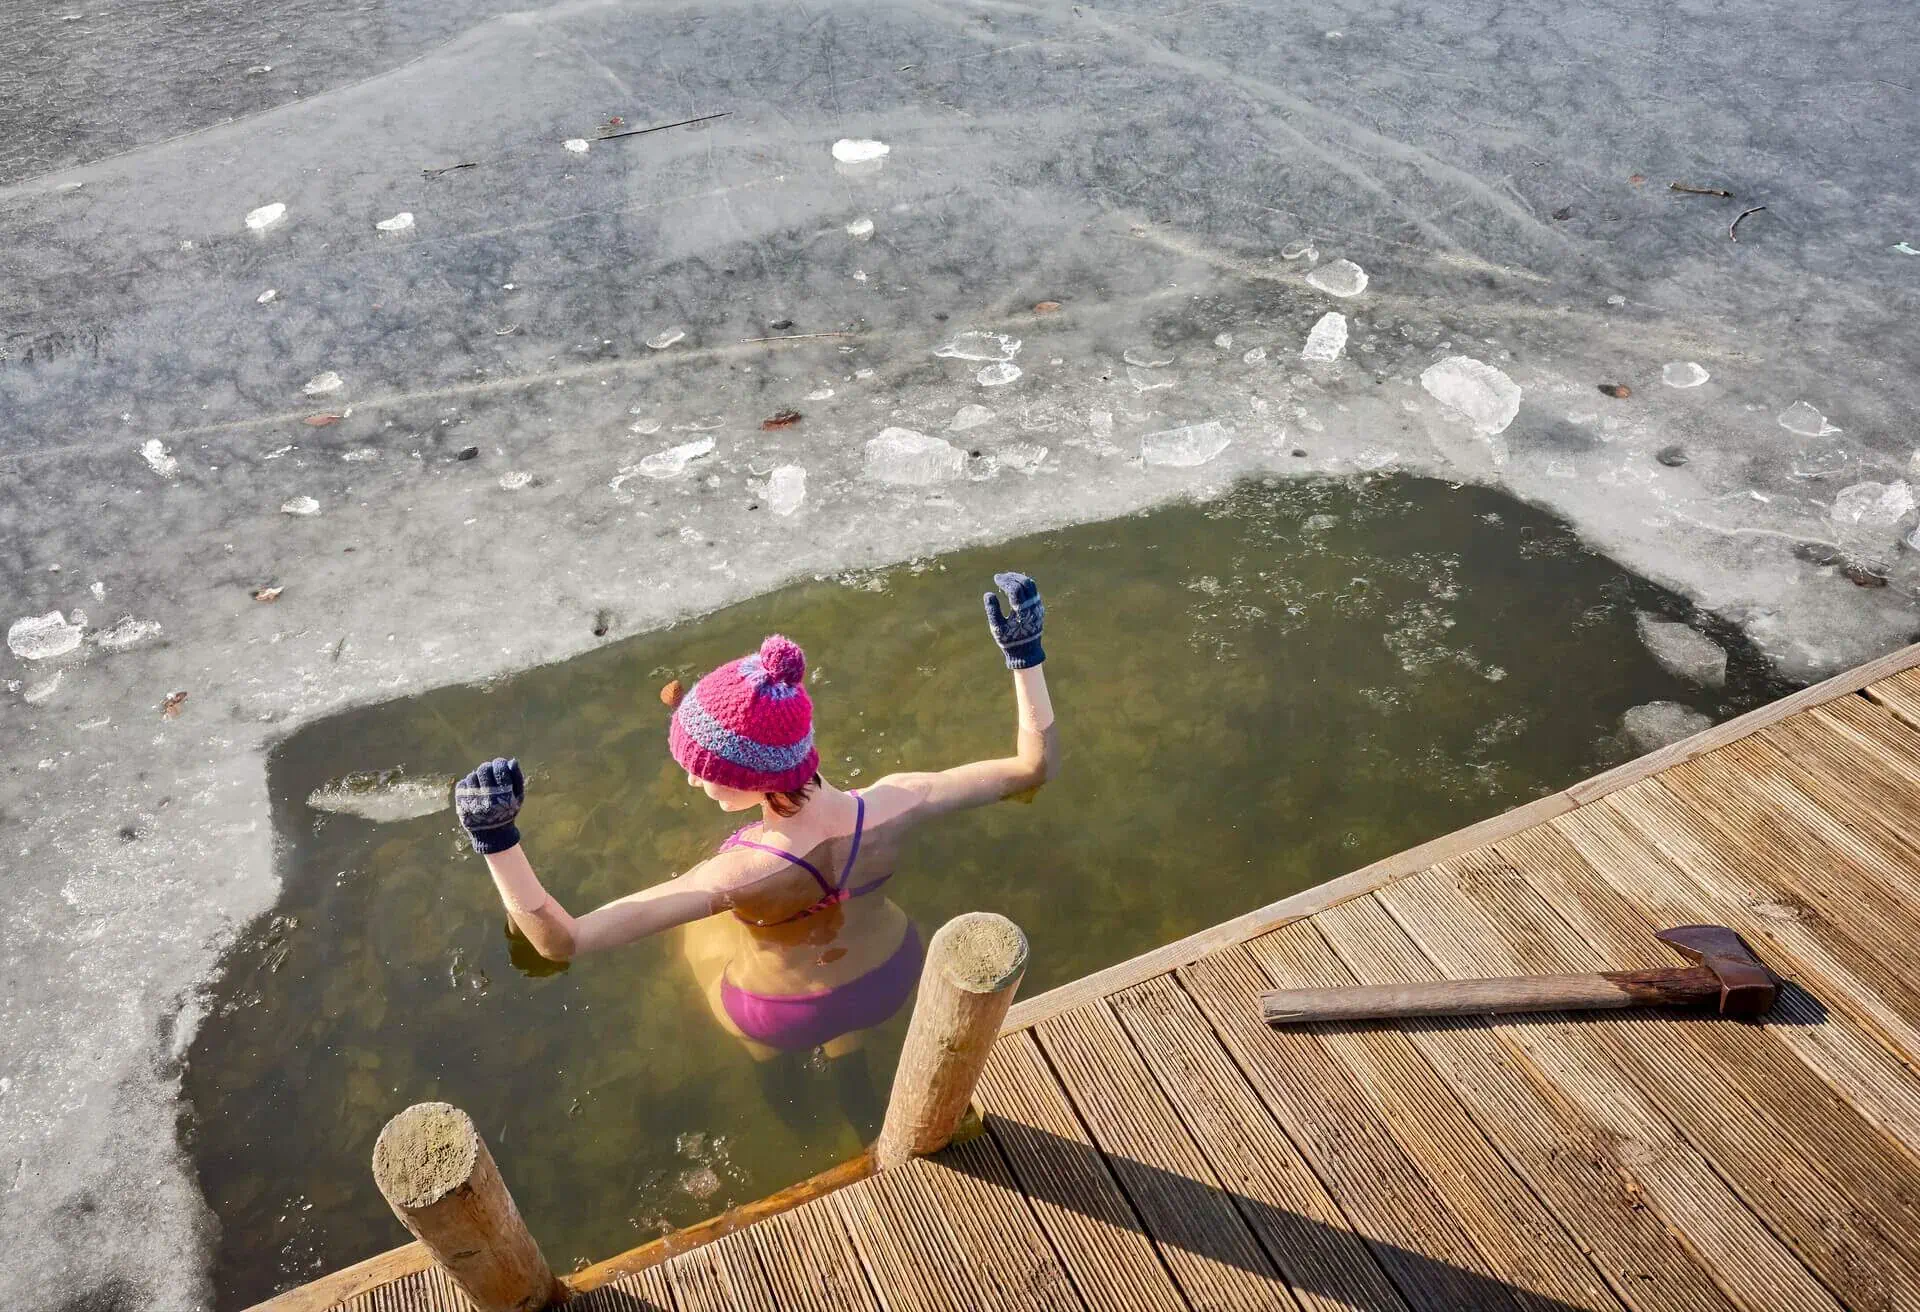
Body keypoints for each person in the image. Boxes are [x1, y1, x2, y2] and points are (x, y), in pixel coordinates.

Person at [454, 572, 1057, 1130]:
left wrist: (497, 839)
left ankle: (777, 1077)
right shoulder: (898, 800)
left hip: (780, 1011)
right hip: (894, 973)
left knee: (699, 939)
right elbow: (1033, 768)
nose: (692, 781)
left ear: (752, 781)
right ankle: (850, 1061)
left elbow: (563, 942)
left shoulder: (735, 873)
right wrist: (1025, 654)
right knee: (836, 980)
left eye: (701, 771)